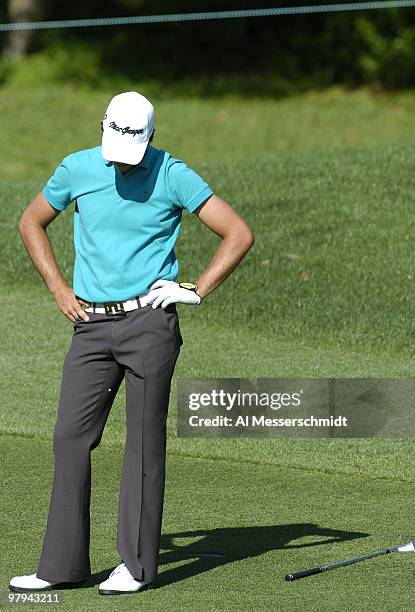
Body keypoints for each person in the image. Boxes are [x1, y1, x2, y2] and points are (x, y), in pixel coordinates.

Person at [9, 91, 254, 596]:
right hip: (91, 328)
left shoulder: (172, 174)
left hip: (150, 324)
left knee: (143, 445)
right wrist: (57, 285)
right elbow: (31, 221)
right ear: (102, 127)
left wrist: (194, 289)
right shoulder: (77, 169)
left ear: (151, 139)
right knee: (69, 438)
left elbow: (237, 233)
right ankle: (62, 566)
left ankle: (137, 566)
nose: (122, 164)